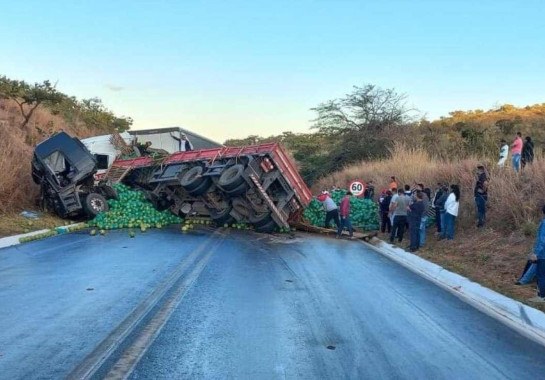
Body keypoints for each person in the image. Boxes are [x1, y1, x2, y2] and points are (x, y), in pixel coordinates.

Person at [528, 206, 545, 303]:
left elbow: (542, 241)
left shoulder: (544, 224)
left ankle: (541, 296)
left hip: (543, 255)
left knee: (541, 275)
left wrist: (536, 254)